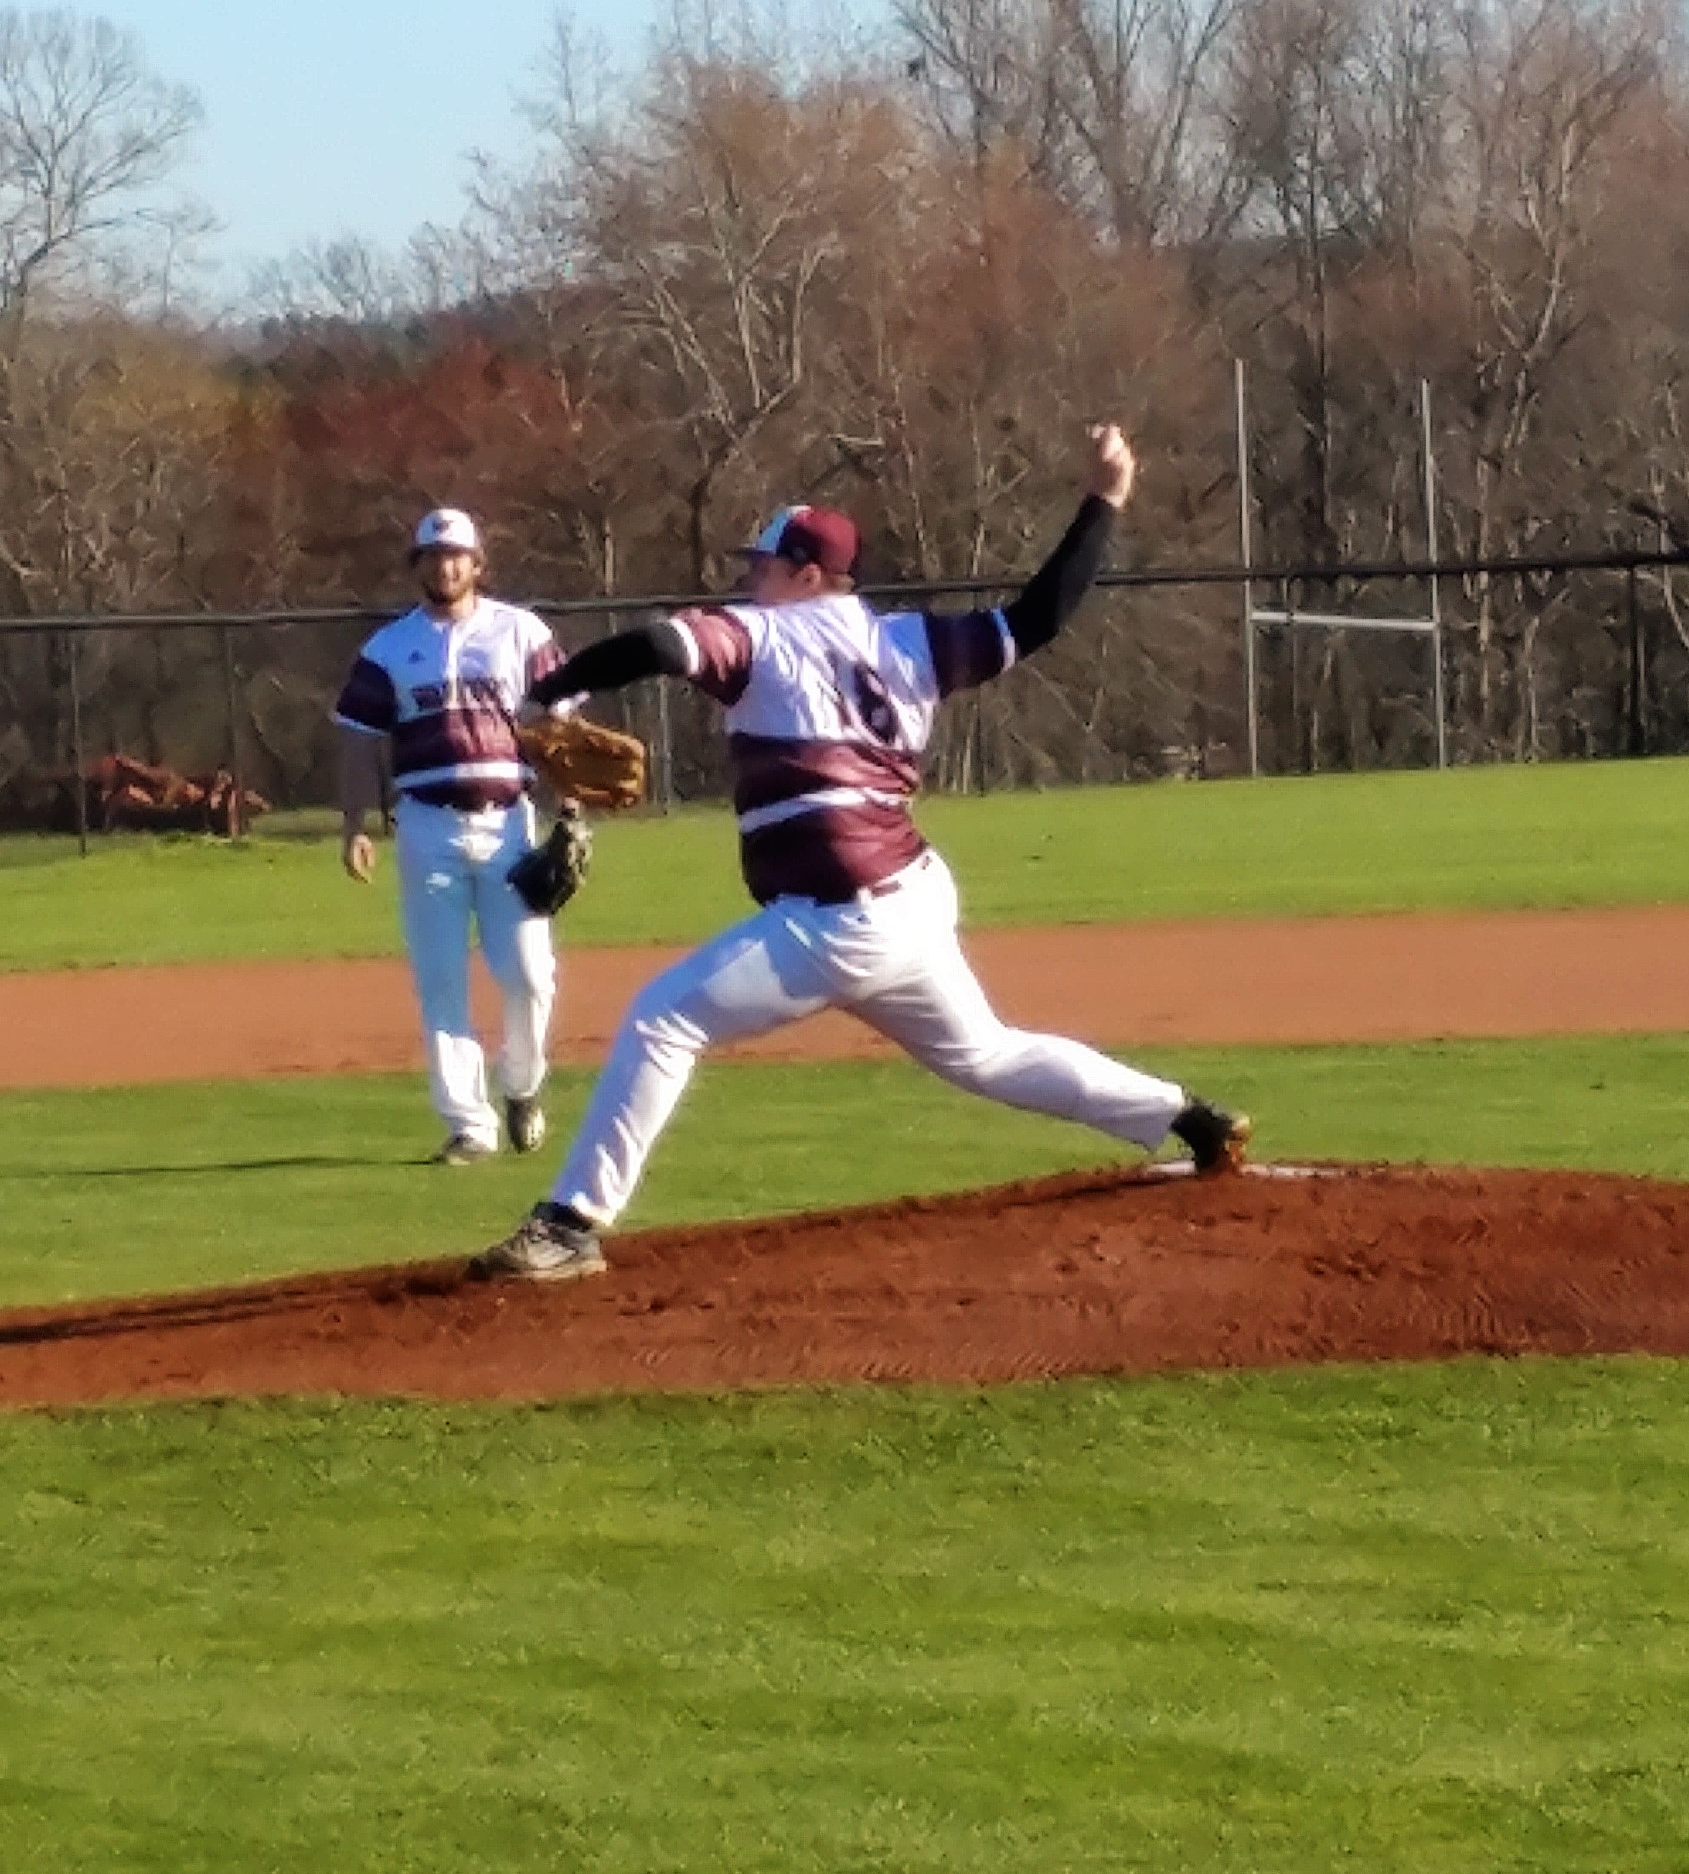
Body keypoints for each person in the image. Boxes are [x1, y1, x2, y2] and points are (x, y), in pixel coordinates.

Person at [471, 423, 1247, 1284]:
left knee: (664, 1018)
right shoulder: (912, 641)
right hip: (909, 895)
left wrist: (551, 690)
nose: (749, 579)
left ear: (808, 575)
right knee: (986, 1054)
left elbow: (659, 646)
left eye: (763, 565)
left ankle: (571, 1223)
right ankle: (1185, 1116)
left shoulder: (764, 635)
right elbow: (1038, 617)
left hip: (839, 914)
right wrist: (1104, 500)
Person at [331, 507, 568, 1164]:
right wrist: (354, 824)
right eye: (433, 556)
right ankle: (470, 1126)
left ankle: (521, 1081)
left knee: (530, 975)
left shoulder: (520, 631)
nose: (446, 566)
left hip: (508, 822)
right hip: (426, 823)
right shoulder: (388, 647)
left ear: (477, 563)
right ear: (418, 566)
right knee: (440, 981)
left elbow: (560, 725)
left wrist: (572, 808)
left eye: (457, 554)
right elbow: (358, 739)